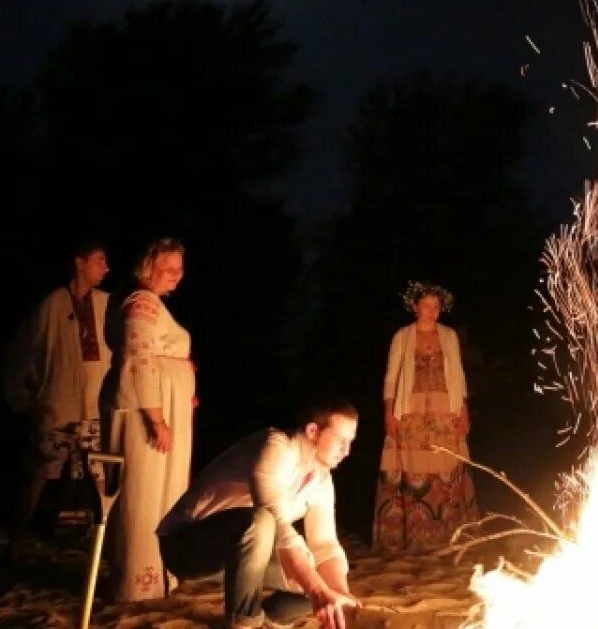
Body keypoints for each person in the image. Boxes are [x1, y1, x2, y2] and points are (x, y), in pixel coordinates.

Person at [157, 396, 361, 629]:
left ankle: (269, 619)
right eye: (340, 440)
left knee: (317, 575)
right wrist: (319, 592)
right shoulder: (275, 446)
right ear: (313, 431)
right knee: (261, 522)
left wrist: (339, 594)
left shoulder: (322, 479)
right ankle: (243, 622)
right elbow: (280, 527)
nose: (347, 450)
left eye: (351, 442)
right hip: (186, 546)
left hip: (244, 558)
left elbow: (326, 544)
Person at [2, 240, 112, 560]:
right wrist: (24, 401)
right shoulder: (51, 305)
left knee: (102, 475)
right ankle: (17, 541)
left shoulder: (107, 304)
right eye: (100, 260)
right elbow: (21, 353)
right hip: (58, 404)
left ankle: (106, 537)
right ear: (80, 263)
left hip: (95, 405)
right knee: (39, 472)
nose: (106, 268)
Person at [102, 238, 195, 601]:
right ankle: (136, 581)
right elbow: (137, 361)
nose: (177, 276)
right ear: (148, 267)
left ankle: (159, 574)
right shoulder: (141, 303)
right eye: (168, 268)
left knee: (161, 493)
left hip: (163, 406)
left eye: (180, 269)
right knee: (142, 492)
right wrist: (157, 419)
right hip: (145, 413)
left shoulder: (151, 304)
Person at [372, 281, 478, 553]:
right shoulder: (402, 337)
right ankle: (414, 536)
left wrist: (463, 410)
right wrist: (389, 412)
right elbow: (391, 377)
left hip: (445, 411)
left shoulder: (449, 336)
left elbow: (459, 375)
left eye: (437, 306)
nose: (433, 311)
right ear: (415, 306)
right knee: (412, 469)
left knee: (446, 468)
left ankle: (447, 535)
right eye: (427, 305)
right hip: (411, 414)